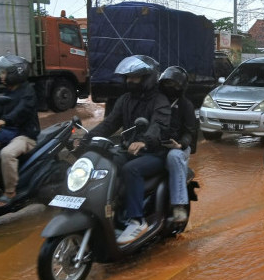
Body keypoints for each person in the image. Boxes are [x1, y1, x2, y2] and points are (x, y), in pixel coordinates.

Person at [82, 55, 171, 245]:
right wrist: (87, 137)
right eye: (128, 77)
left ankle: (137, 220)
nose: (129, 81)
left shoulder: (160, 100)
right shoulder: (125, 100)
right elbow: (110, 123)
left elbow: (159, 125)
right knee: (104, 165)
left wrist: (144, 141)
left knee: (132, 169)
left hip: (154, 152)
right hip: (129, 150)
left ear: (147, 78)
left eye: (134, 77)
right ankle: (108, 210)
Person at [0, 54, 41, 207]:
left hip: (25, 136)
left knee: (7, 154)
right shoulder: (7, 93)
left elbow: (21, 111)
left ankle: (10, 192)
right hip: (6, 134)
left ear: (16, 73)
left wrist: (3, 121)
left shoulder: (28, 92)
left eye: (4, 72)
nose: (1, 76)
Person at [158, 66, 197, 225]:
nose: (170, 88)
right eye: (167, 84)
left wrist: (180, 144)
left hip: (178, 148)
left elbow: (190, 132)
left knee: (174, 157)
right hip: (155, 145)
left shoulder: (186, 106)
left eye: (174, 85)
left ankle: (179, 204)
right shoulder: (156, 102)